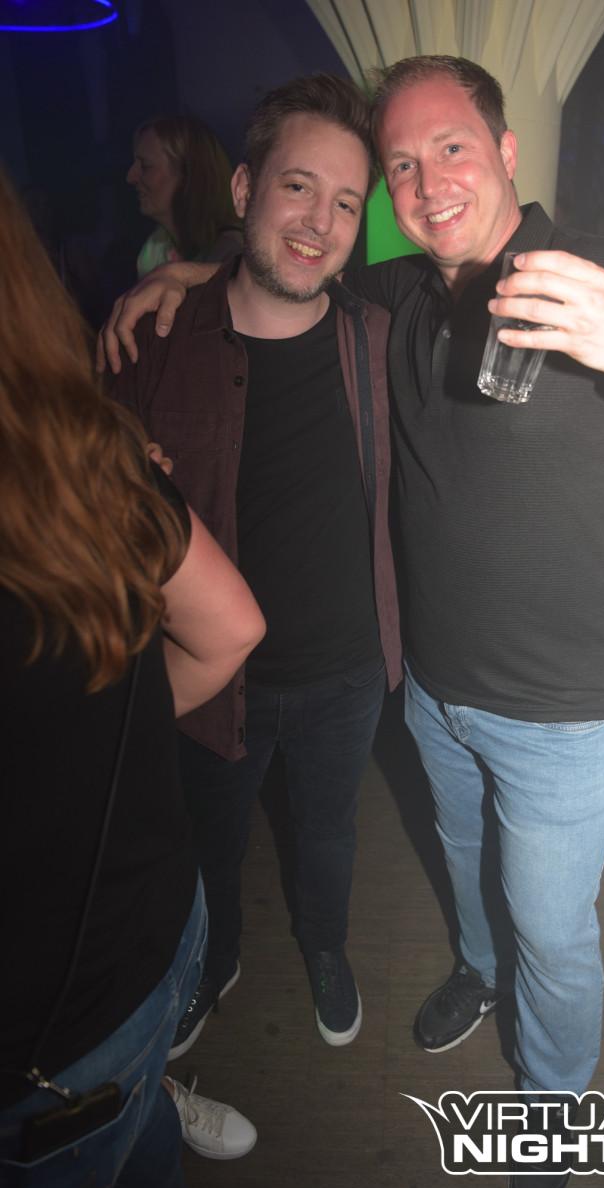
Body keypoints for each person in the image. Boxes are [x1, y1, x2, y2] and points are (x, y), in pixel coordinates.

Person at [98, 56, 604, 1188]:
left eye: (451, 148)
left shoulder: (601, 277)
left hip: (565, 718)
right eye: (403, 166)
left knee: (553, 935)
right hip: (430, 693)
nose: (427, 182)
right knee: (467, 870)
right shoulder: (403, 295)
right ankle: (474, 968)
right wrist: (189, 272)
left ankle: (552, 1105)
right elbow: (294, 269)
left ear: (506, 152)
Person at [109, 75, 402, 1060]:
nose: (320, 222)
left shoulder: (377, 339)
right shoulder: (155, 338)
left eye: (346, 202)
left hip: (347, 673)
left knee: (329, 836)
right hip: (212, 676)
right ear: (244, 190)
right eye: (298, 187)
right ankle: (217, 957)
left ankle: (325, 947)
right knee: (210, 844)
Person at [0, 168, 264, 1188]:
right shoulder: (87, 443)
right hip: (146, 940)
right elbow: (230, 626)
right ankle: (148, 1095)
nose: (129, 176)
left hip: (62, 1030)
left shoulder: (90, 445)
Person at [127, 114, 243, 278]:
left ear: (187, 174)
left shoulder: (234, 252)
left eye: (145, 166)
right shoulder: (153, 250)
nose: (130, 177)